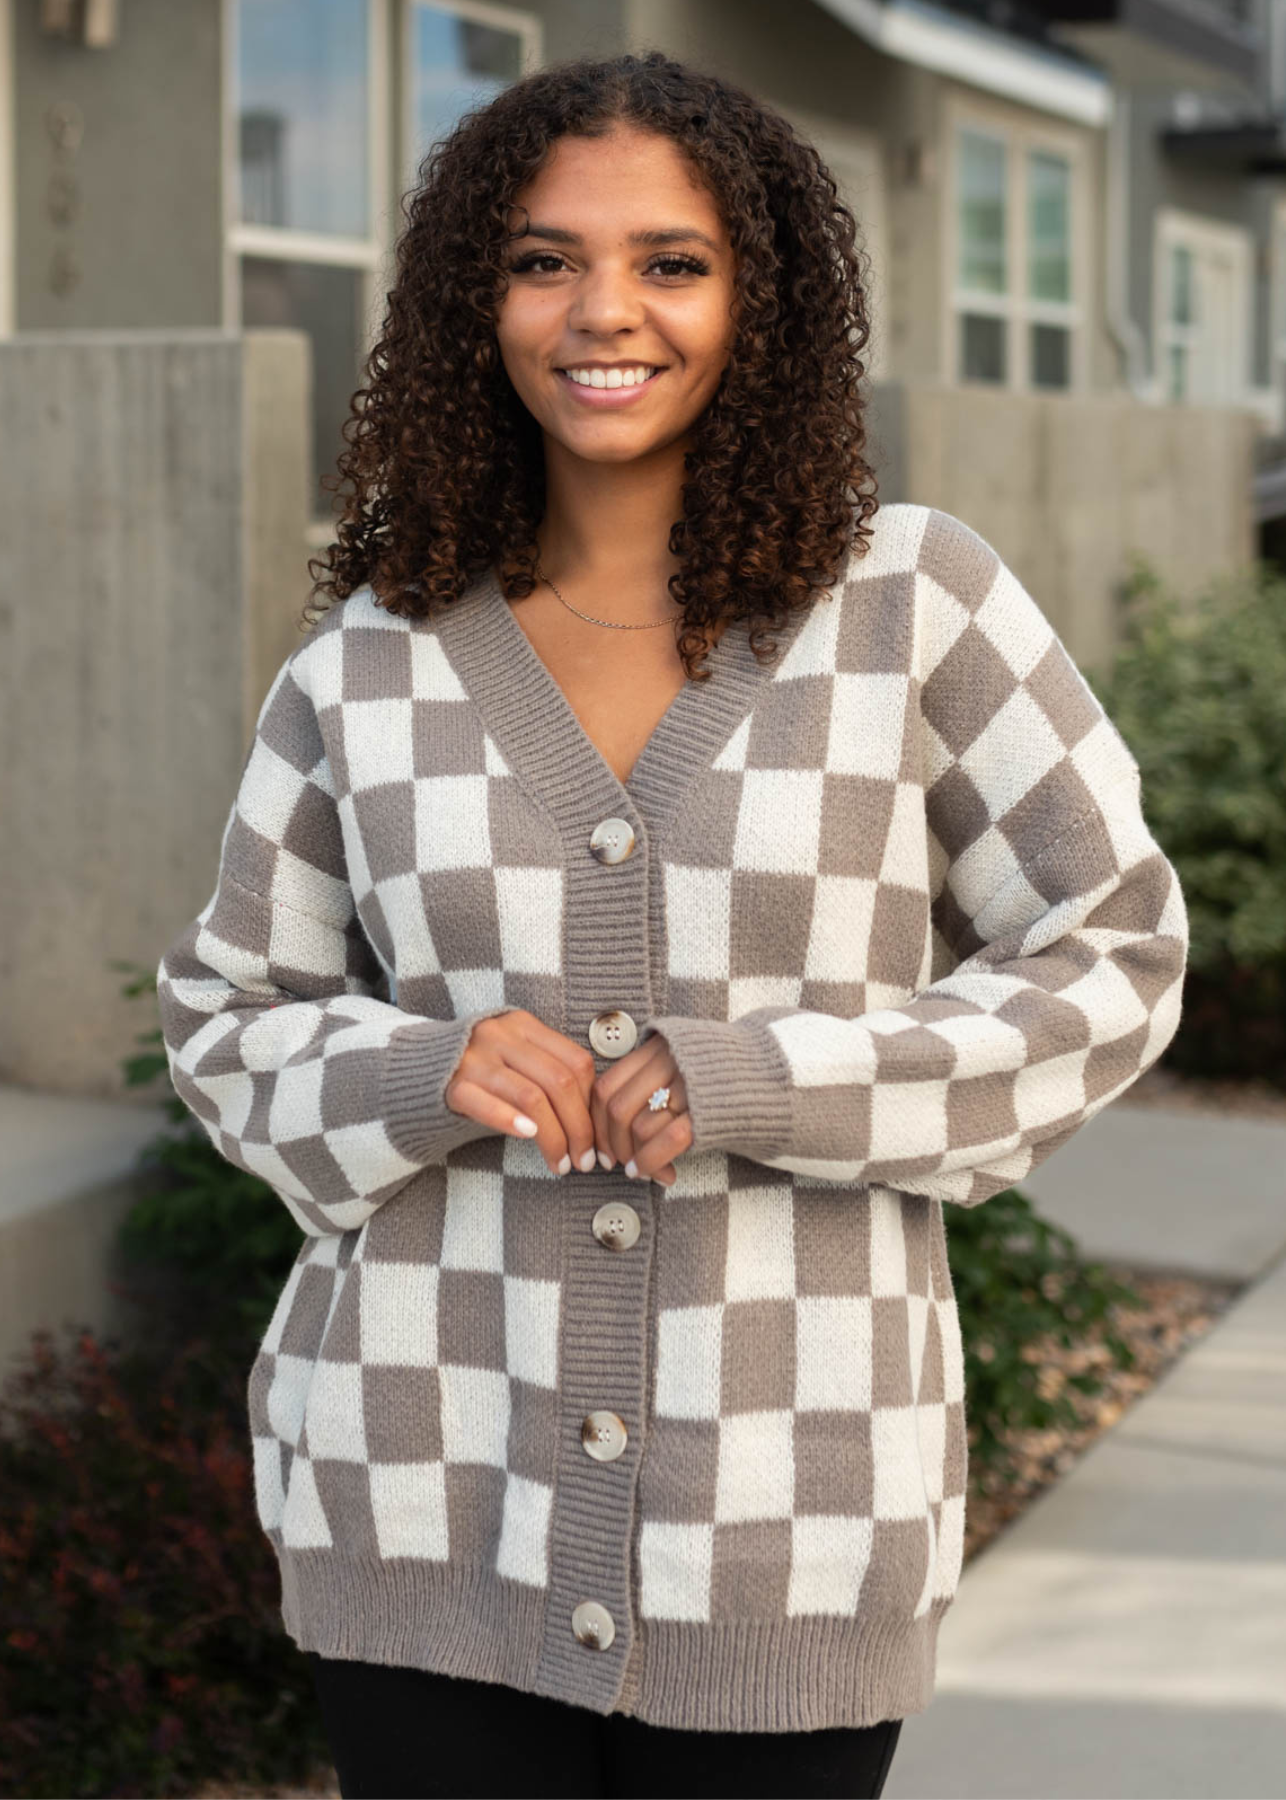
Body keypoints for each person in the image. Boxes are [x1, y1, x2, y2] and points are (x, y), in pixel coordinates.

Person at [155, 50, 1189, 1800]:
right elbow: (224, 1016)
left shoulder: (910, 604)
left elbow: (1112, 955)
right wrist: (423, 1067)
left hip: (788, 1512)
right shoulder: (373, 661)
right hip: (418, 1475)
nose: (600, 312)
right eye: (543, 258)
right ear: (473, 298)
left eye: (671, 262)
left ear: (759, 300)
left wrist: (766, 1078)